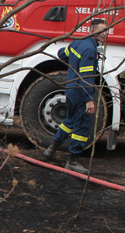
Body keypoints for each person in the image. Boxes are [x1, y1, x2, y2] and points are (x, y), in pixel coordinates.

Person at [42, 18, 107, 174]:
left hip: (71, 89)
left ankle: (51, 149)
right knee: (82, 126)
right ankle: (73, 161)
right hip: (80, 92)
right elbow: (86, 78)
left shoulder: (78, 42)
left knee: (69, 121)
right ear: (92, 30)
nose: (104, 33)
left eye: (106, 30)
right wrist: (89, 100)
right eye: (101, 30)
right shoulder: (90, 50)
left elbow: (61, 54)